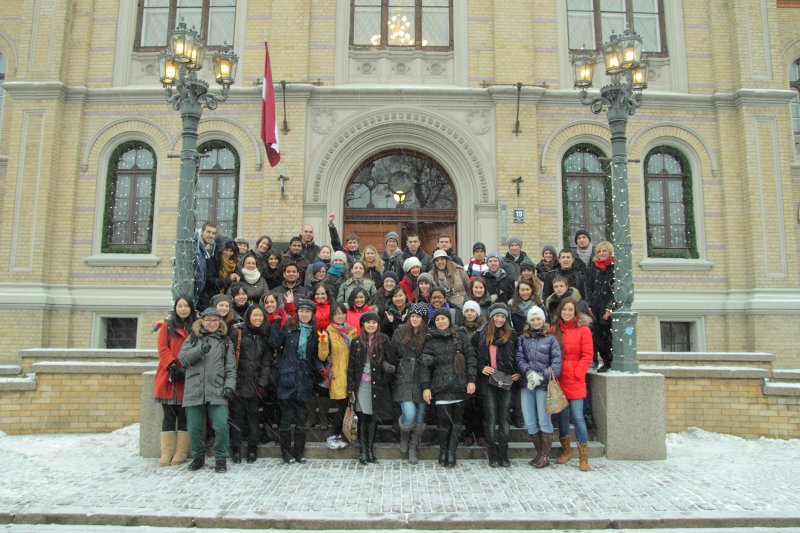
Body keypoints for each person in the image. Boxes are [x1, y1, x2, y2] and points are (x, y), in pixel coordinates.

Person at [179, 307, 236, 473]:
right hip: (194, 388)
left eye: (215, 320)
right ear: (202, 321)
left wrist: (229, 386)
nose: (212, 323)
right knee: (195, 427)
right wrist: (199, 349)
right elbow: (183, 359)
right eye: (208, 320)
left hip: (217, 389)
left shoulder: (225, 341)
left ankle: (220, 458)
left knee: (221, 426)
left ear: (219, 322)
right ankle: (198, 457)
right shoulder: (193, 338)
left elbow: (231, 368)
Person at [421, 308, 477, 468]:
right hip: (441, 386)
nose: (441, 321)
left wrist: (472, 380)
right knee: (444, 422)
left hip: (459, 385)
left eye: (443, 318)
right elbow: (424, 366)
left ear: (449, 320)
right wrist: (426, 387)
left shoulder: (460, 335)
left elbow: (471, 358)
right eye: (437, 319)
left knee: (457, 421)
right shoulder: (431, 340)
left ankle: (451, 452)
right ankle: (443, 451)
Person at [267, 298, 320, 464]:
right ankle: (286, 453)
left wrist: (322, 369)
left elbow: (315, 356)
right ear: (297, 313)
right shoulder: (289, 328)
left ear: (312, 314)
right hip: (288, 377)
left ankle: (299, 452)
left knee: (301, 418)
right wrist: (276, 324)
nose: (304, 314)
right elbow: (274, 342)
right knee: (286, 416)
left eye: (308, 311)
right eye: (302, 311)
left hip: (305, 378)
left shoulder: (314, 333)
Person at [347, 311, 397, 465]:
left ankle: (370, 450)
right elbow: (351, 367)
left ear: (378, 325)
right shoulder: (356, 342)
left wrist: (385, 377)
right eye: (368, 322)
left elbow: (392, 362)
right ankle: (363, 451)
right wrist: (351, 388)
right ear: (363, 324)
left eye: (374, 322)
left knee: (374, 418)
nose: (371, 325)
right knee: (363, 416)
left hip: (378, 385)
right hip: (361, 385)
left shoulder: (384, 340)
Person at [472, 302, 519, 467]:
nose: (499, 319)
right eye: (497, 316)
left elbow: (518, 355)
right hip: (488, 381)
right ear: (492, 317)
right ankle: (492, 454)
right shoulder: (480, 334)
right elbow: (473, 356)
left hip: (506, 379)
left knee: (504, 419)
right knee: (491, 419)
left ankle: (504, 454)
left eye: (502, 316)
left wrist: (517, 371)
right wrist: (481, 367)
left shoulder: (512, 335)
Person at [516, 306, 561, 468]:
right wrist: (528, 372)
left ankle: (545, 455)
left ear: (543, 320)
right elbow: (519, 358)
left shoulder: (551, 339)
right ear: (529, 321)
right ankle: (539, 452)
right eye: (533, 319)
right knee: (529, 420)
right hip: (527, 384)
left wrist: (540, 375)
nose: (536, 322)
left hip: (543, 385)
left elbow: (556, 364)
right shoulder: (522, 338)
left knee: (544, 420)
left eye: (538, 319)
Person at [553, 299, 594, 471]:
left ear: (575, 312)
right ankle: (566, 450)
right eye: (564, 310)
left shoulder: (583, 330)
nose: (567, 312)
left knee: (577, 417)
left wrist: (578, 372)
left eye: (570, 310)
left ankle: (583, 456)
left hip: (575, 380)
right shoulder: (554, 330)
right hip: (560, 379)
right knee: (562, 418)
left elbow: (588, 355)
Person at [154, 295, 194, 466]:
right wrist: (171, 365)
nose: (183, 309)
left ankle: (181, 451)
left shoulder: (195, 327)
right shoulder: (167, 326)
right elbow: (162, 348)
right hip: (168, 375)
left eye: (186, 306)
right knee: (169, 415)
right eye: (180, 306)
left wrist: (184, 366)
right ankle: (166, 452)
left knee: (184, 416)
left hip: (187, 374)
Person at [229, 305, 271, 464]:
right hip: (239, 383)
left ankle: (252, 449)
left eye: (260, 316)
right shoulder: (238, 333)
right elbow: (231, 359)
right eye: (255, 315)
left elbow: (266, 362)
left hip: (255, 385)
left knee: (254, 418)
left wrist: (262, 383)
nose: (258, 318)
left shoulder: (263, 335)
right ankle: (236, 449)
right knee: (238, 418)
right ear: (248, 317)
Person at [391, 303, 428, 464]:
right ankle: (404, 432)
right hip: (404, 376)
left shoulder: (428, 335)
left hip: (422, 377)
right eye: (413, 316)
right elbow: (392, 353)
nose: (415, 319)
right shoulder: (399, 332)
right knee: (409, 413)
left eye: (418, 316)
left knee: (420, 414)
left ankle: (413, 446)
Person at [317, 302, 358, 450]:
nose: (340, 316)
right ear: (332, 316)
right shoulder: (328, 333)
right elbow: (322, 357)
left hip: (352, 374)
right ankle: (333, 435)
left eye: (342, 313)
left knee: (350, 408)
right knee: (342, 409)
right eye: (337, 313)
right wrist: (322, 343)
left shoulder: (352, 332)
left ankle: (345, 436)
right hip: (338, 376)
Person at [460, 300, 487, 448]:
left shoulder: (484, 328)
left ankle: (480, 432)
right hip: (466, 369)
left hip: (481, 369)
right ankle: (469, 432)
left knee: (480, 403)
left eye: (472, 310)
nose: (469, 313)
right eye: (467, 311)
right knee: (468, 403)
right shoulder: (460, 329)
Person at [586, 240, 615, 372]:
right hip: (595, 307)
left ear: (610, 252)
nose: (602, 254)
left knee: (606, 336)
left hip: (607, 307)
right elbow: (589, 287)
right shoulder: (593, 267)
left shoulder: (614, 268)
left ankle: (608, 361)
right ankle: (599, 360)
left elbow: (616, 290)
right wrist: (590, 305)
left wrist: (610, 307)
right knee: (596, 336)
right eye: (599, 251)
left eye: (605, 251)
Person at [200, 240, 240, 310]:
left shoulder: (233, 264)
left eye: (231, 251)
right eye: (226, 250)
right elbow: (210, 281)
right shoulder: (213, 261)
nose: (229, 253)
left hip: (224, 299)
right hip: (210, 298)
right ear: (220, 250)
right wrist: (228, 279)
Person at [193, 222, 218, 308]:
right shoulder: (194, 246)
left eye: (213, 233)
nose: (211, 235)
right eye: (208, 232)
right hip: (191, 288)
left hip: (199, 291)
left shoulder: (209, 249)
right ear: (202, 232)